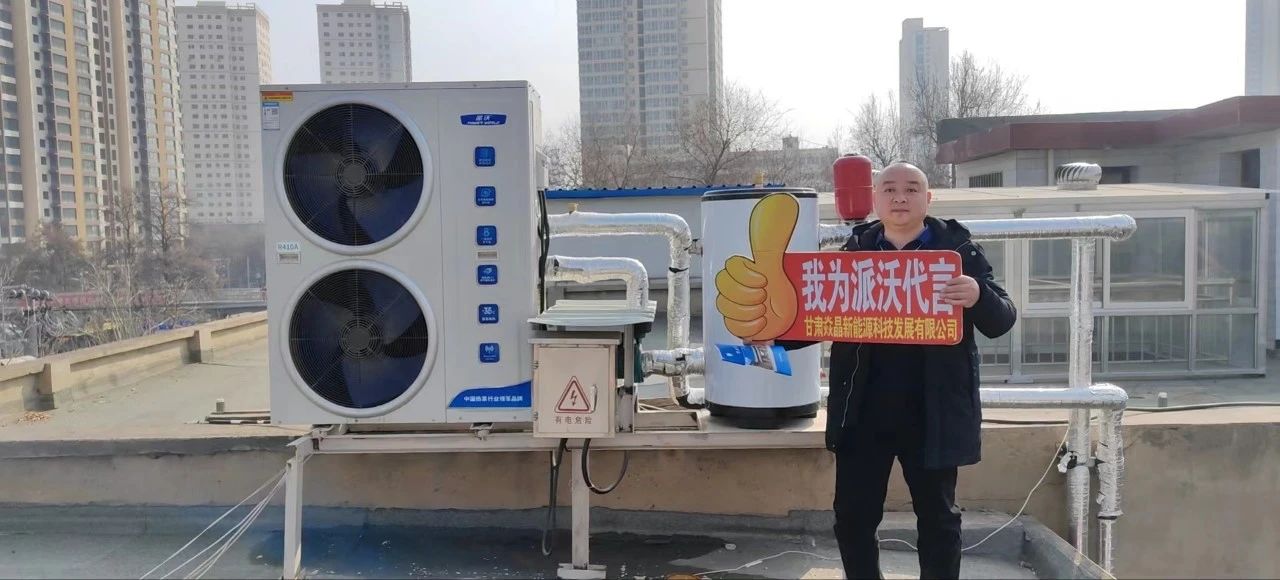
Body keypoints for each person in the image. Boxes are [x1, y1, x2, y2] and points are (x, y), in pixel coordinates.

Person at [783, 162, 1018, 579]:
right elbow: (816, 318)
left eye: (911, 189)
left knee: (939, 519)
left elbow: (1001, 320)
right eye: (889, 189)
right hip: (862, 411)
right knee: (853, 517)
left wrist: (978, 294)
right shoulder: (854, 255)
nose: (900, 197)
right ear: (875, 199)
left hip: (933, 412)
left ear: (928, 198)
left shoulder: (959, 253)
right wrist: (770, 334)